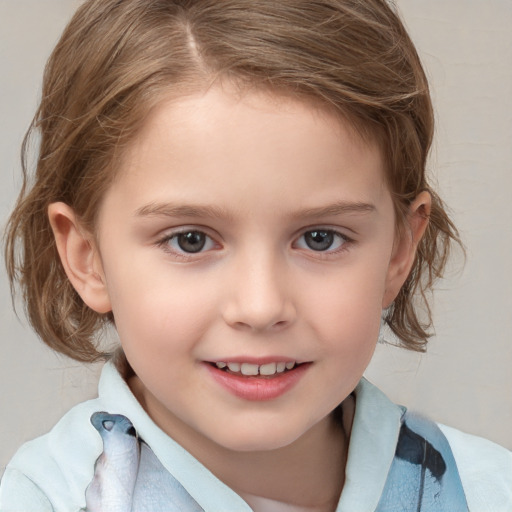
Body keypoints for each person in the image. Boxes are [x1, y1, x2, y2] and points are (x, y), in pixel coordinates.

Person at [1, 0, 510, 510]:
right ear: (87, 256)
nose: (261, 307)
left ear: (399, 250)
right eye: (190, 240)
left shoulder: (487, 490)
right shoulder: (46, 498)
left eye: (320, 239)